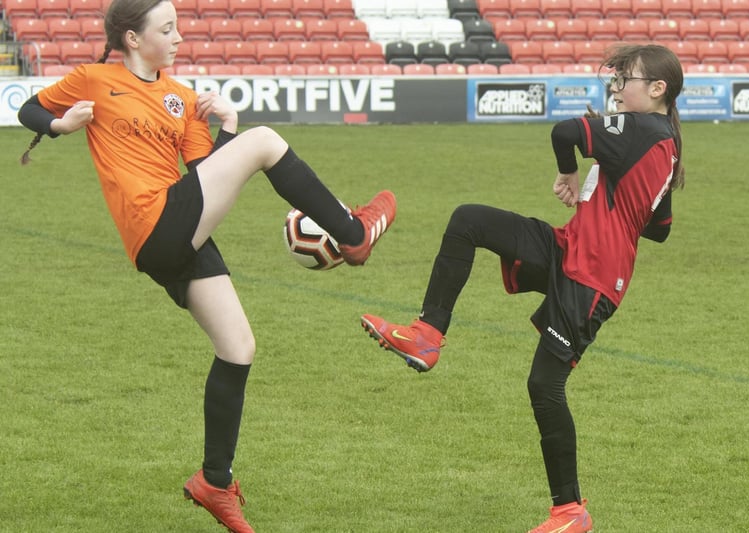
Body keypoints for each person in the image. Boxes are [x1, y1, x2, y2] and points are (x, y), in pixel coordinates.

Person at [17, 1, 396, 531]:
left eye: (177, 26)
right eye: (166, 28)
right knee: (265, 143)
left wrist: (228, 127)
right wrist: (60, 123)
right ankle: (354, 236)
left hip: (179, 224)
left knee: (239, 348)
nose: (178, 37)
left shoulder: (183, 98)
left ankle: (214, 482)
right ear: (131, 38)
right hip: (153, 224)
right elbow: (28, 110)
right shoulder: (94, 79)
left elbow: (203, 176)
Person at [360, 43, 684, 533]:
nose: (617, 87)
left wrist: (571, 171)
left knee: (544, 386)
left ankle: (570, 512)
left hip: (589, 278)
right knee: (468, 221)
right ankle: (427, 334)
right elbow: (659, 227)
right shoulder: (661, 140)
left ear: (657, 89)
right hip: (569, 250)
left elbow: (565, 132)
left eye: (627, 80)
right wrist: (613, 198)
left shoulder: (644, 130)